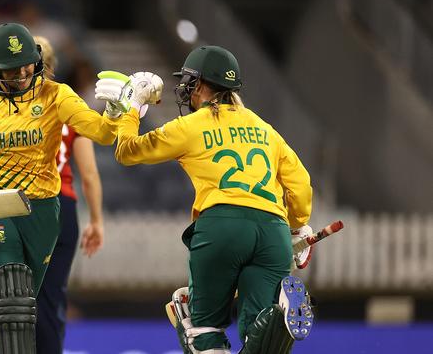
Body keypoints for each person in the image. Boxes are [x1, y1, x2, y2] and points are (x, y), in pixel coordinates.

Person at [0, 23, 159, 352]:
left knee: (25, 307)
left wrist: (115, 112)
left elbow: (103, 134)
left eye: (27, 67)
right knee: (13, 305)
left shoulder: (57, 96)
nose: (22, 76)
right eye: (12, 72)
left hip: (41, 207)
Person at [99, 46, 314, 354]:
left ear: (199, 86)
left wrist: (132, 107)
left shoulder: (192, 125)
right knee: (258, 335)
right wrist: (297, 226)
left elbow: (127, 151)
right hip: (273, 231)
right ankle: (275, 321)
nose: (185, 89)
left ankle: (255, 327)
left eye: (188, 81)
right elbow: (301, 184)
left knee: (200, 325)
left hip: (222, 227)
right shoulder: (265, 129)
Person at [0, 36, 105, 354]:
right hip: (57, 206)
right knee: (47, 299)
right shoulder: (67, 102)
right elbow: (88, 174)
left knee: (9, 289)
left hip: (6, 202)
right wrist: (96, 220)